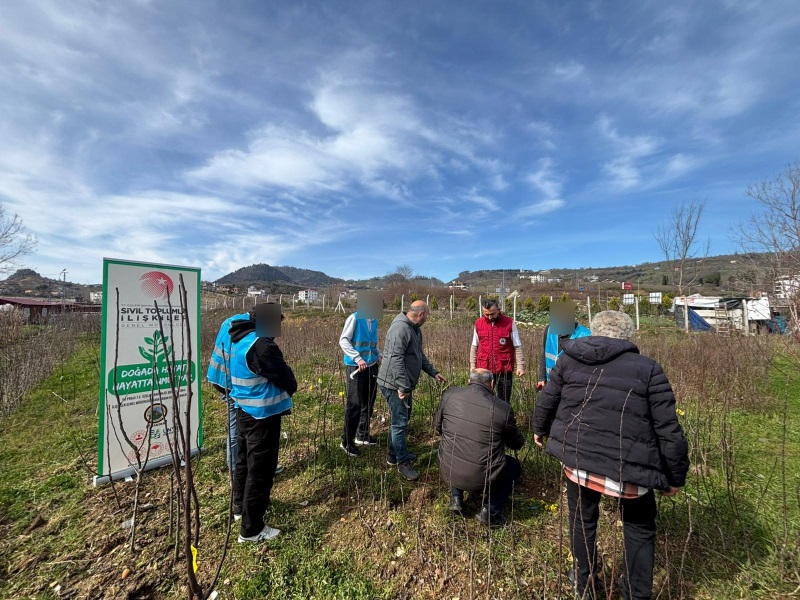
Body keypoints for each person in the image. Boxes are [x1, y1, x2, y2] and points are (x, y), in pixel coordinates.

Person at [533, 311, 689, 600]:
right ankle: (636, 593)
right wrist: (675, 476)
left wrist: (539, 430)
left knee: (581, 520)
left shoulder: (570, 359)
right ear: (629, 335)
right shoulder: (648, 369)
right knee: (639, 529)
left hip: (578, 459)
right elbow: (668, 429)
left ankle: (585, 583)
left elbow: (547, 399)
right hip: (631, 468)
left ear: (593, 331)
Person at [228, 306, 297, 543]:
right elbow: (285, 377)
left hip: (244, 411)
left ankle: (240, 508)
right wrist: (291, 383)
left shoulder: (241, 339)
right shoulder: (262, 346)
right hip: (262, 415)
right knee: (261, 471)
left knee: (244, 462)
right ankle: (251, 529)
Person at [435, 368, 525, 528]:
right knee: (513, 466)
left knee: (455, 447)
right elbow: (516, 444)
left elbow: (437, 427)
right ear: (492, 384)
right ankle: (490, 510)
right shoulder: (502, 408)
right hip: (483, 479)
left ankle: (456, 497)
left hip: (448, 469)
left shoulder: (450, 395)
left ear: (469, 381)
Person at [207, 312, 285, 477]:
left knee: (240, 427)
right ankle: (237, 470)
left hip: (221, 376)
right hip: (230, 382)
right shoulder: (246, 331)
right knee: (237, 428)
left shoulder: (235, 321)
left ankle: (241, 468)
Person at [377, 300, 446, 481]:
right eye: (427, 315)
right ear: (420, 314)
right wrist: (403, 386)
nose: (427, 318)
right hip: (393, 384)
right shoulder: (400, 329)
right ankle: (403, 463)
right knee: (399, 423)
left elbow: (418, 354)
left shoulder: (414, 329)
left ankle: (394, 454)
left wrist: (433, 372)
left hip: (402, 384)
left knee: (403, 419)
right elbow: (395, 359)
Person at [207, 312, 249, 470]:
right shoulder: (249, 328)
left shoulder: (231, 320)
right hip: (230, 382)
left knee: (238, 423)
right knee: (237, 426)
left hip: (217, 376)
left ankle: (237, 463)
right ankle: (235, 467)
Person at [339, 309, 381, 456]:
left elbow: (371, 344)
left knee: (368, 401)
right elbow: (343, 340)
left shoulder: (374, 321)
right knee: (355, 404)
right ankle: (346, 441)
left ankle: (362, 434)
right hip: (356, 367)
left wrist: (378, 355)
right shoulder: (354, 318)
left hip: (371, 366)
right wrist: (357, 358)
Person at [470, 299, 524, 402]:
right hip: (483, 370)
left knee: (503, 401)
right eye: (486, 314)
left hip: (504, 369)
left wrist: (520, 366)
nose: (489, 317)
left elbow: (517, 346)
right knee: (483, 401)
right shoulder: (478, 323)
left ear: (499, 310)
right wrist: (472, 366)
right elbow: (474, 346)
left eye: (492, 314)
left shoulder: (509, 323)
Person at [536, 317, 591, 390]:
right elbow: (545, 354)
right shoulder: (549, 330)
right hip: (551, 384)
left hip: (574, 386)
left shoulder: (585, 334)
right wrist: (542, 378)